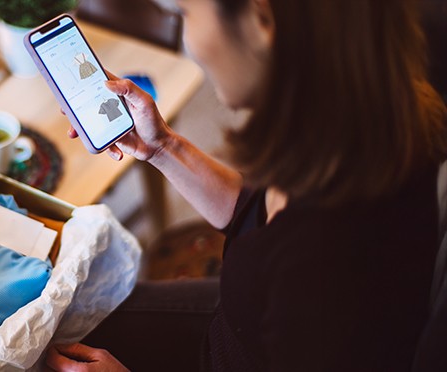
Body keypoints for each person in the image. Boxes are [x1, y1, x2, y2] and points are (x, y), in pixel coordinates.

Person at [45, 0, 447, 370]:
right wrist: (163, 147)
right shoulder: (353, 118)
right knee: (70, 316)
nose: (192, 41)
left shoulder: (326, 262)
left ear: (261, 19)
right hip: (237, 327)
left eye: (187, 13)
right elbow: (257, 216)